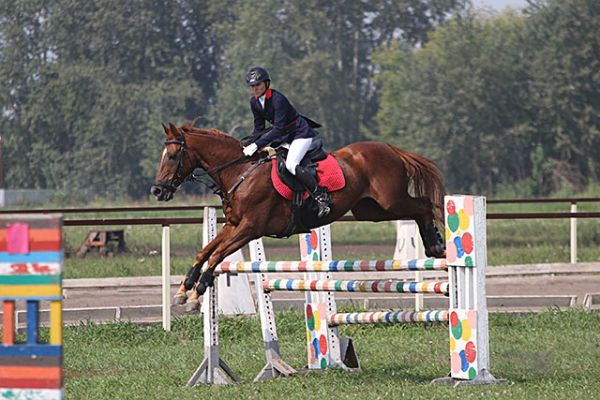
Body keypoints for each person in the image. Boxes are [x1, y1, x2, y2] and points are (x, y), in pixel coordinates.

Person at [242, 66, 331, 218]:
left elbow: (278, 129)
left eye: (258, 85)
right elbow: (259, 129)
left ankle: (321, 196)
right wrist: (247, 143)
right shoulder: (254, 102)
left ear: (266, 83)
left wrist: (257, 144)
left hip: (300, 134)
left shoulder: (278, 99)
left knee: (291, 164)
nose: (255, 88)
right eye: (253, 86)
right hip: (284, 136)